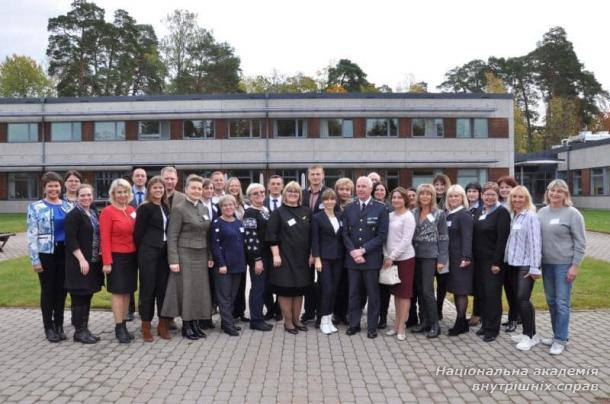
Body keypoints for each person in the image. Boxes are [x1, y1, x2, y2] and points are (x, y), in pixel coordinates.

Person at [162, 175, 214, 340]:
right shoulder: (179, 208)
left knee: (200, 290)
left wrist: (210, 255)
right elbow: (172, 236)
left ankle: (196, 324)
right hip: (185, 254)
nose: (197, 191)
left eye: (199, 188)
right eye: (194, 188)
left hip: (201, 253)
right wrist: (173, 260)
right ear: (186, 190)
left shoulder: (204, 208)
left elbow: (208, 235)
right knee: (187, 291)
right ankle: (187, 325)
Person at [538, 179, 586, 355]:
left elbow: (581, 243)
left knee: (562, 303)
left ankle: (560, 340)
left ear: (565, 194)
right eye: (552, 190)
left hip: (564, 265)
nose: (555, 194)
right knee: (551, 302)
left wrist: (575, 266)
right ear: (547, 192)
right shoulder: (541, 212)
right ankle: (557, 335)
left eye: (559, 191)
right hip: (547, 264)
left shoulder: (573, 214)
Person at [27, 171, 74, 342]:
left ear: (61, 187)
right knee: (48, 291)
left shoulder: (68, 206)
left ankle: (59, 325)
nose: (54, 189)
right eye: (50, 186)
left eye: (56, 185)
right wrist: (35, 259)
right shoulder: (36, 207)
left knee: (62, 290)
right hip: (46, 254)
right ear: (44, 188)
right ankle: (49, 327)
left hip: (65, 253)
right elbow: (32, 235)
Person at [342, 176, 389, 339]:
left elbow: (382, 235)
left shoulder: (381, 208)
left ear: (371, 189)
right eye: (359, 186)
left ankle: (372, 327)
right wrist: (353, 252)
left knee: (373, 294)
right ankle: (353, 324)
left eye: (364, 186)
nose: (361, 189)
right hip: (353, 260)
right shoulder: (349, 208)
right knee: (354, 293)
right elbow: (345, 233)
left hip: (371, 259)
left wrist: (362, 250)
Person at [266, 181, 313, 334]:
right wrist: (276, 255)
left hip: (303, 258)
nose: (293, 194)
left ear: (300, 194)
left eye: (296, 191)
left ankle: (297, 319)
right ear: (284, 193)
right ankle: (288, 322)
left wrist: (312, 254)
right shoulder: (278, 212)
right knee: (285, 289)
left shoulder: (307, 211)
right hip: (284, 257)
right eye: (289, 191)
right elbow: (271, 235)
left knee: (299, 289)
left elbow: (313, 235)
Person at [64, 184, 103, 344]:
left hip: (93, 261)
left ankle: (85, 328)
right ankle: (79, 331)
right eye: (82, 195)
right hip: (79, 263)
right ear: (77, 197)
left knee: (87, 294)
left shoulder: (93, 213)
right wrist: (81, 259)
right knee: (79, 296)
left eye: (88, 195)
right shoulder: (73, 215)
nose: (86, 198)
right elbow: (70, 240)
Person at [99, 178, 138, 343]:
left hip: (131, 256)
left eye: (125, 192)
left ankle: (124, 324)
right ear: (113, 194)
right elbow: (104, 239)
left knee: (128, 291)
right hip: (116, 257)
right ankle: (118, 326)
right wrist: (107, 262)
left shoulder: (131, 210)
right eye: (119, 192)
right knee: (118, 292)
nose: (122, 195)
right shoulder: (107, 212)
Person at [134, 176, 172, 342]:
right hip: (148, 252)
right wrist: (143, 251)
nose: (158, 190)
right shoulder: (145, 208)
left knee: (163, 289)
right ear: (149, 190)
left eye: (161, 188)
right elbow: (138, 234)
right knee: (148, 289)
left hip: (164, 252)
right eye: (155, 188)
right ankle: (146, 325)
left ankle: (162, 324)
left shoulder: (165, 206)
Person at [472, 182, 511, 342]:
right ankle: (485, 324)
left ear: (497, 196)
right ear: (482, 196)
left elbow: (502, 240)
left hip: (493, 262)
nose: (489, 197)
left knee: (492, 295)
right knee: (482, 295)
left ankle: (493, 329)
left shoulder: (501, 213)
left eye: (492, 194)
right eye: (486, 194)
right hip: (479, 261)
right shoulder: (480, 211)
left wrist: (497, 263)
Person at [505, 186, 542, 351]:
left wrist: (535, 267)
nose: (517, 200)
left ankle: (528, 336)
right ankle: (531, 334)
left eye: (521, 197)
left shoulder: (530, 216)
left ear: (527, 199)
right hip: (513, 264)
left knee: (522, 299)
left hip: (526, 265)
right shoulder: (514, 215)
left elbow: (535, 243)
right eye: (514, 197)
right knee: (521, 300)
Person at [411, 183, 449, 338]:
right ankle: (424, 321)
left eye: (428, 193)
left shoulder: (439, 214)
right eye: (422, 193)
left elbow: (444, 238)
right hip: (414, 254)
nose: (425, 196)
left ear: (432, 196)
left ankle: (435, 324)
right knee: (419, 290)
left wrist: (442, 259)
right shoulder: (413, 212)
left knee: (427, 290)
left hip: (430, 255)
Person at [211, 195, 249, 336]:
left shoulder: (238, 223)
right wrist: (221, 263)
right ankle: (228, 325)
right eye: (225, 205)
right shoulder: (217, 223)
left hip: (238, 265)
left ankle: (227, 321)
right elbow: (215, 246)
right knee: (224, 297)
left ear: (235, 206)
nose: (228, 207)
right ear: (221, 208)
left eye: (230, 205)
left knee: (232, 295)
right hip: (224, 267)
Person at [382, 187, 416, 341]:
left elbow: (406, 241)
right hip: (389, 259)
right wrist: (386, 255)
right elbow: (383, 236)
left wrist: (392, 256)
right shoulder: (389, 215)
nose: (396, 200)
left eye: (399, 197)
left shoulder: (408, 217)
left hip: (405, 259)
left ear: (405, 200)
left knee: (404, 294)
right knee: (396, 293)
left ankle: (402, 326)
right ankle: (396, 324)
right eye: (394, 197)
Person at [311, 189, 344, 335]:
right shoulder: (317, 218)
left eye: (332, 199)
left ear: (335, 201)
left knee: (335, 290)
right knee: (327, 289)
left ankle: (329, 319)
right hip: (323, 259)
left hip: (338, 258)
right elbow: (315, 240)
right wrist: (317, 259)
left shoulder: (340, 216)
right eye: (326, 199)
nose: (329, 201)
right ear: (322, 202)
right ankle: (323, 320)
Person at [243, 183, 274, 331]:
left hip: (269, 255)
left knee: (264, 287)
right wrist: (257, 259)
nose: (260, 195)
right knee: (257, 288)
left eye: (262, 192)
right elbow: (250, 237)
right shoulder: (250, 212)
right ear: (249, 197)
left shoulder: (266, 210)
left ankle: (262, 315)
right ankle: (256, 320)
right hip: (259, 256)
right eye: (255, 193)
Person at [444, 185, 474, 336]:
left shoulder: (464, 215)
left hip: (461, 260)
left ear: (462, 198)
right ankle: (461, 322)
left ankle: (461, 322)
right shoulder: (448, 214)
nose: (453, 199)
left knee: (461, 291)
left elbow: (467, 237)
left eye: (456, 196)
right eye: (451, 196)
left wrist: (466, 257)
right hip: (450, 259)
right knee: (456, 290)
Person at [301, 165, 328, 325]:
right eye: (313, 174)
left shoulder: (329, 194)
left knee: (323, 281)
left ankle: (321, 313)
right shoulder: (302, 194)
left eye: (318, 174)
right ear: (308, 176)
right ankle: (309, 311)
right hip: (305, 244)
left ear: (323, 176)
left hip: (323, 244)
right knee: (307, 281)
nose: (315, 177)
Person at [497, 175, 520, 332]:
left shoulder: (517, 207)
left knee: (514, 289)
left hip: (515, 255)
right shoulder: (498, 206)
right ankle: (515, 316)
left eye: (508, 187)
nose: (504, 189)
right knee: (506, 288)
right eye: (502, 187)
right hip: (502, 255)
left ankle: (514, 319)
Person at [225, 177, 249, 323]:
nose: (234, 188)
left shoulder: (243, 204)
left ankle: (240, 311)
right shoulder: (224, 203)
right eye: (231, 186)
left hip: (243, 247)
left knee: (242, 282)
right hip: (230, 247)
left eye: (237, 186)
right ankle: (230, 313)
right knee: (230, 283)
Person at [332, 177, 354, 325]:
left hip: (351, 250)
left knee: (348, 284)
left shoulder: (354, 206)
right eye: (341, 189)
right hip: (335, 250)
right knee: (336, 283)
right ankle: (335, 313)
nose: (344, 192)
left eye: (347, 189)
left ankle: (345, 313)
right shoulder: (331, 204)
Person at [372, 181, 391, 329]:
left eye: (382, 190)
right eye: (376, 190)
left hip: (387, 253)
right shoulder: (369, 207)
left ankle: (383, 317)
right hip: (372, 253)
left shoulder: (390, 208)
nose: (379, 192)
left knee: (384, 288)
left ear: (386, 192)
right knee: (372, 288)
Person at [465, 182, 483, 327]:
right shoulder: (465, 208)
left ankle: (478, 314)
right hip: (467, 251)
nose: (471, 194)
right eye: (469, 191)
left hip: (479, 252)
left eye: (474, 191)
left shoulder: (482, 209)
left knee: (478, 285)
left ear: (479, 194)